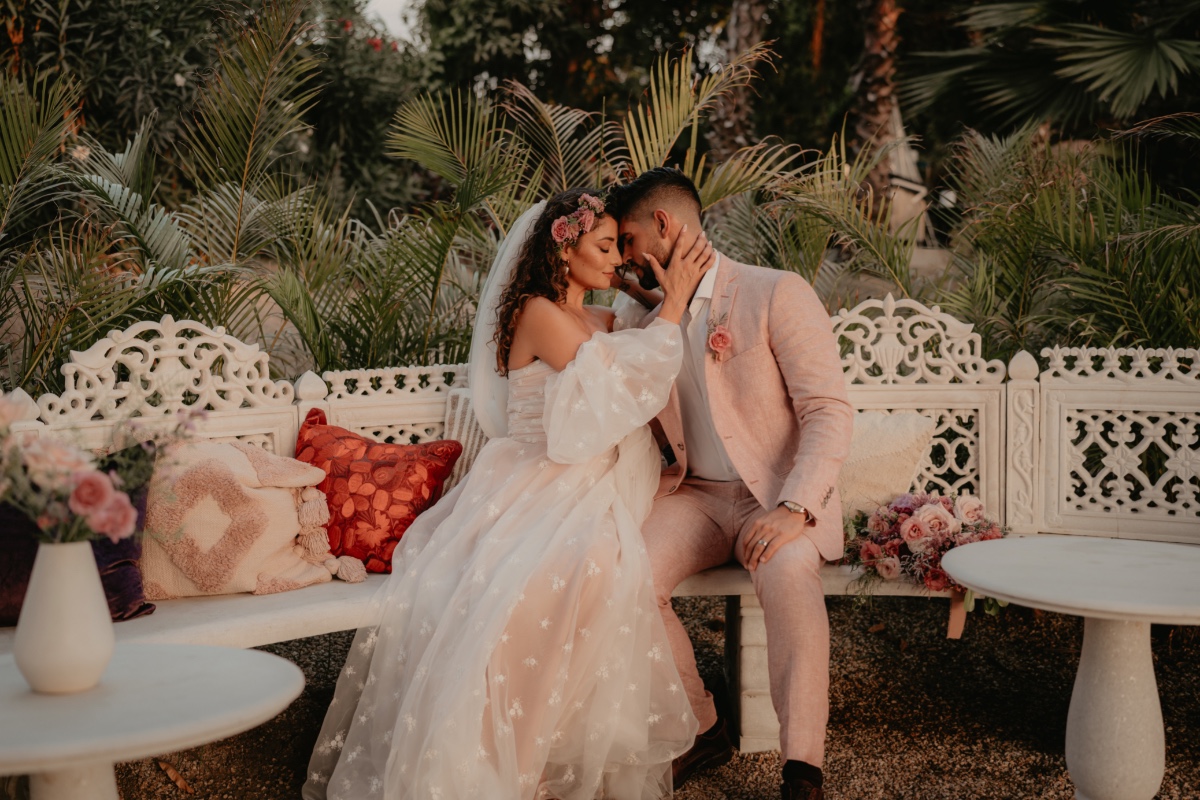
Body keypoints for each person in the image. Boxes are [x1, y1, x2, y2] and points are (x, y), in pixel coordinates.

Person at [303, 188, 716, 800]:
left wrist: (642, 293)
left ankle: (545, 757)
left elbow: (643, 342)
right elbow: (620, 384)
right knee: (541, 587)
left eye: (617, 249)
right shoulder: (536, 312)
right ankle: (508, 768)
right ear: (562, 250)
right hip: (536, 480)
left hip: (584, 482)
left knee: (599, 570)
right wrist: (673, 302)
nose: (615, 260)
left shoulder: (596, 317)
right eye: (603, 247)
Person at [607, 168, 854, 800]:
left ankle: (803, 771)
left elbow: (828, 409)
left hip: (775, 494)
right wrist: (649, 304)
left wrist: (796, 508)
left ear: (664, 226)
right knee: (628, 574)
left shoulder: (775, 292)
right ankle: (703, 726)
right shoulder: (640, 322)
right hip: (693, 496)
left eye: (629, 240)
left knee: (790, 570)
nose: (624, 256)